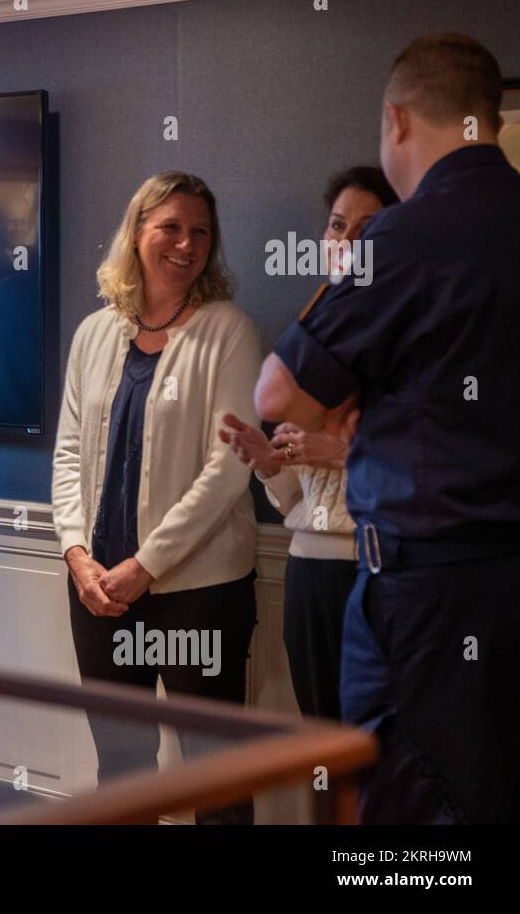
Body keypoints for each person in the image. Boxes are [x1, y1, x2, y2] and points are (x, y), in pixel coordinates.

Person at [255, 33, 520, 824]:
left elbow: (279, 394)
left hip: (426, 590)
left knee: (409, 813)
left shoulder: (402, 240)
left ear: (397, 121)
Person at [52, 171, 262, 823]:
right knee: (122, 766)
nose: (186, 243)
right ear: (137, 232)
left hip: (198, 593)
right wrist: (76, 553)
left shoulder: (228, 331)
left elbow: (228, 468)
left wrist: (145, 568)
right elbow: (67, 452)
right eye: (169, 226)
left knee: (212, 773)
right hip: (99, 591)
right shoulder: (94, 333)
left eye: (201, 231)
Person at [220, 166, 397, 720]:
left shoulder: (413, 329)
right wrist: (271, 463)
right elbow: (298, 500)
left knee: (379, 748)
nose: (346, 241)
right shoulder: (310, 332)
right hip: (306, 570)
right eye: (337, 226)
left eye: (366, 228)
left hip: (377, 571)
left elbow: (437, 471)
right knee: (320, 738)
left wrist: (343, 455)